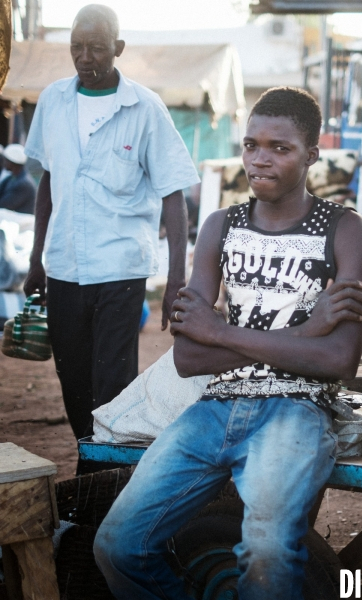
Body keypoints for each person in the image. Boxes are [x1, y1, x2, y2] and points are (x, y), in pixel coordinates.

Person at [93, 87, 362, 600]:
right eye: (250, 144)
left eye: (280, 148)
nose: (259, 160)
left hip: (296, 410)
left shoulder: (344, 228)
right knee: (117, 546)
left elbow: (337, 360)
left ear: (311, 154)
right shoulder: (221, 225)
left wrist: (219, 330)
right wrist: (303, 333)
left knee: (267, 556)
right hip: (214, 408)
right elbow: (188, 357)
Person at [23, 4, 199, 450]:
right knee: (73, 382)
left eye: (97, 48)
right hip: (64, 266)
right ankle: (93, 464)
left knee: (113, 383)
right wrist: (35, 259)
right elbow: (48, 181)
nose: (85, 58)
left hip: (121, 268)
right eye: (76, 48)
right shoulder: (53, 101)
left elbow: (173, 193)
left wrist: (177, 275)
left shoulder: (144, 108)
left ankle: (99, 489)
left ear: (117, 49)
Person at [0, 143, 36, 214]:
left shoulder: (24, 184)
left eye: (6, 160)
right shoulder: (10, 178)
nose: (3, 163)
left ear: (12, 162)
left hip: (22, 222)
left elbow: (5, 205)